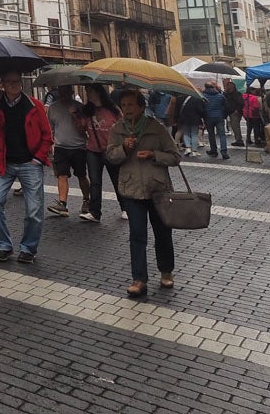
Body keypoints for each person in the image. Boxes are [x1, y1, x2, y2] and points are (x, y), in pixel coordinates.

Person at [106, 87, 182, 297]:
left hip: (157, 189)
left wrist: (153, 154)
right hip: (131, 190)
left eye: (131, 104)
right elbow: (111, 157)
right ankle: (139, 279)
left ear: (141, 106)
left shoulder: (155, 128)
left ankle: (166, 271)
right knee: (137, 235)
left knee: (163, 233)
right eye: (123, 105)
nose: (127, 109)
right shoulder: (117, 130)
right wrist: (125, 148)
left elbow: (175, 156)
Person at [0, 70, 54, 264]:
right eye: (10, 82)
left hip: (29, 162)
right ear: (2, 84)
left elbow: (47, 136)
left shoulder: (34, 105)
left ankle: (28, 248)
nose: (14, 85)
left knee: (34, 208)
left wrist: (38, 159)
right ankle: (4, 245)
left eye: (17, 82)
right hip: (3, 162)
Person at [46, 83, 91, 217]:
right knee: (62, 175)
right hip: (61, 147)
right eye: (61, 91)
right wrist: (50, 145)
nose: (64, 94)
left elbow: (84, 128)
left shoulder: (79, 107)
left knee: (81, 175)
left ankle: (86, 200)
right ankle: (62, 204)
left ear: (71, 92)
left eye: (66, 91)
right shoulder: (53, 108)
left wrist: (76, 115)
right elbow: (51, 128)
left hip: (78, 147)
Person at [81, 84, 121, 222]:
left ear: (98, 92)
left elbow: (122, 127)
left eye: (89, 90)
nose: (87, 93)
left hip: (110, 150)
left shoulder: (113, 110)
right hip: (93, 150)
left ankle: (125, 208)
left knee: (117, 180)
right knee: (95, 182)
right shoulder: (87, 111)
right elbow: (81, 128)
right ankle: (94, 212)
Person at [201, 80, 229, 159]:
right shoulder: (220, 96)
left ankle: (214, 150)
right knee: (222, 135)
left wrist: (203, 116)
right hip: (219, 117)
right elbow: (226, 106)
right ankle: (224, 152)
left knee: (211, 135)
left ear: (205, 87)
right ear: (213, 87)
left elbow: (201, 107)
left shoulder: (203, 96)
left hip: (208, 117)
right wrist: (224, 115)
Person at [176, 90, 206, 156]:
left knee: (186, 134)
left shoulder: (179, 98)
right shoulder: (197, 99)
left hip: (184, 119)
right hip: (195, 119)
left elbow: (177, 110)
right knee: (194, 134)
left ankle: (188, 148)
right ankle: (194, 151)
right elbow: (201, 110)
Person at [224, 80, 246, 147]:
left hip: (235, 112)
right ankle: (238, 139)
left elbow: (241, 103)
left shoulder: (236, 94)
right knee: (234, 126)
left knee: (235, 126)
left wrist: (237, 109)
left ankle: (239, 140)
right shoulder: (228, 94)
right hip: (232, 111)